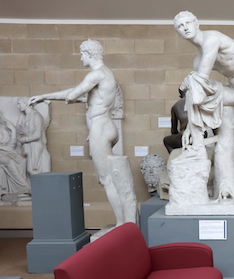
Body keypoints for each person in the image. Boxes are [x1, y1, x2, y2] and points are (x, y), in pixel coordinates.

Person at [29, 39, 136, 226]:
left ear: (89, 54)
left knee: (107, 179)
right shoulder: (106, 74)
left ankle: (122, 223)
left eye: (81, 54)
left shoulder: (97, 74)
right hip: (106, 126)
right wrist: (46, 96)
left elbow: (72, 94)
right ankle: (125, 221)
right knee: (111, 177)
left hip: (100, 128)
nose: (80, 59)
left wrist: (67, 97)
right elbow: (79, 94)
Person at [173, 10, 234, 204]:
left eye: (187, 23)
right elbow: (197, 92)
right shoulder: (197, 59)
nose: (185, 28)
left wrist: (186, 84)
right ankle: (223, 182)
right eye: (180, 27)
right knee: (197, 92)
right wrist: (192, 124)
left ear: (196, 23)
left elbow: (200, 78)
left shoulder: (212, 39)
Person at [16, 97, 51, 175]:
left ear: (26, 104)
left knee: (32, 169)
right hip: (28, 146)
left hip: (35, 145)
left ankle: (41, 186)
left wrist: (23, 140)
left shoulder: (36, 116)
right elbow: (18, 128)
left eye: (19, 104)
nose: (18, 106)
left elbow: (37, 135)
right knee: (28, 169)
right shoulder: (25, 116)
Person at [0, 111, 29, 201]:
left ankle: (18, 191)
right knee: (9, 161)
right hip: (3, 154)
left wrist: (13, 130)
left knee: (22, 160)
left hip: (5, 152)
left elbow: (11, 146)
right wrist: (4, 148)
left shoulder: (2, 128)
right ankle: (25, 186)